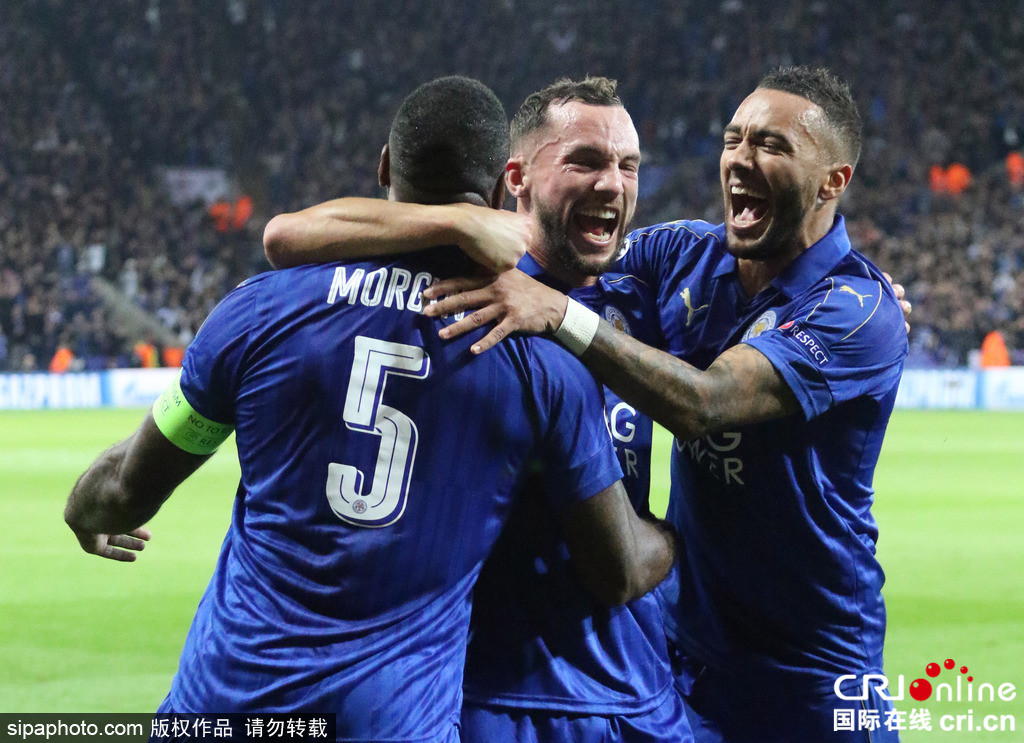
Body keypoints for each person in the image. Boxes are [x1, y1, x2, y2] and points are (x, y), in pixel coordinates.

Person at [64, 76, 676, 743]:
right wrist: (684, 536)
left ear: (385, 167)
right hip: (391, 722)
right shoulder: (539, 357)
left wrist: (86, 510)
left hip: (225, 707)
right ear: (502, 192)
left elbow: (121, 490)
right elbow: (619, 567)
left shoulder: (258, 312)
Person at [418, 66, 909, 742]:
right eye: (734, 139)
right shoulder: (683, 257)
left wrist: (558, 313)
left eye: (771, 145)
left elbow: (705, 402)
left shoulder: (858, 311)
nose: (741, 159)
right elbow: (562, 251)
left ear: (833, 181)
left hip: (811, 674)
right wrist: (444, 229)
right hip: (684, 662)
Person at [264, 78, 693, 742]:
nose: (612, 183)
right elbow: (288, 234)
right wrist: (457, 224)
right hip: (501, 691)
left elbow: (728, 348)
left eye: (628, 165)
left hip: (641, 688)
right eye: (585, 161)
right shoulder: (465, 287)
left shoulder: (645, 281)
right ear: (512, 180)